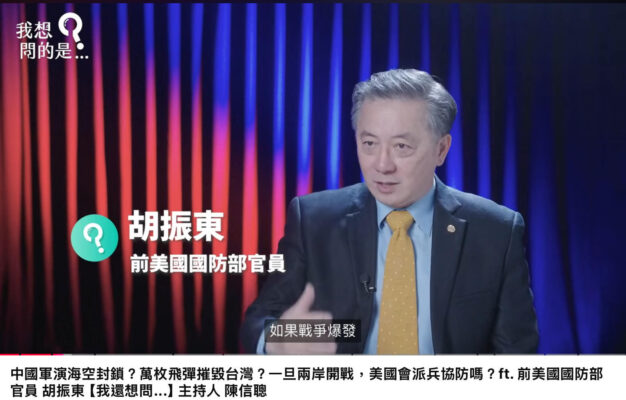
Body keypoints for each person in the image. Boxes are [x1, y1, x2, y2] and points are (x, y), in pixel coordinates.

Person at [240, 69, 538, 354]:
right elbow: (259, 320)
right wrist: (278, 340)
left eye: (402, 147)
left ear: (441, 149)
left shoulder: (496, 231)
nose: (382, 165)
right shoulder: (314, 219)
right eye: (369, 143)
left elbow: (516, 354)